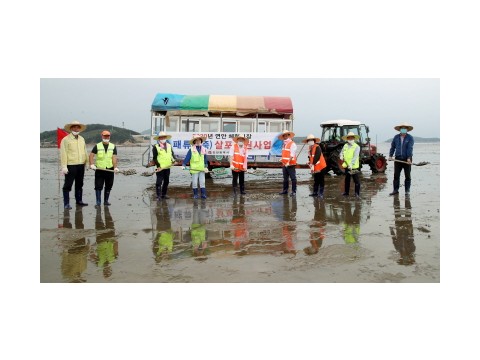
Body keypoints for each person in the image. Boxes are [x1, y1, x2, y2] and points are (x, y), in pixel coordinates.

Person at [60, 120, 89, 209]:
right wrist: (64, 166)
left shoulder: (82, 139)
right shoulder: (66, 139)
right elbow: (63, 153)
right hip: (71, 165)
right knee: (68, 184)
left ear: (80, 128)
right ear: (71, 128)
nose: (76, 129)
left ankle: (79, 200)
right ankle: (66, 203)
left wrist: (87, 163)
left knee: (79, 183)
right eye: (74, 127)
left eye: (78, 127)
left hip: (81, 165)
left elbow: (85, 151)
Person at [89, 130, 119, 207]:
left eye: (108, 136)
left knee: (109, 185)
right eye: (105, 136)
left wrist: (115, 167)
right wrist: (92, 164)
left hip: (110, 169)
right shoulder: (97, 146)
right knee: (98, 186)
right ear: (102, 136)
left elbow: (114, 157)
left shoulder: (113, 146)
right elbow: (91, 155)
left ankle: (106, 201)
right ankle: (98, 202)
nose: (106, 137)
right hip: (99, 169)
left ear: (109, 137)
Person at [90, 206, 118, 278]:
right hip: (110, 237)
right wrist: (115, 240)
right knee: (109, 219)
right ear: (110, 269)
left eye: (105, 270)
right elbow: (115, 248)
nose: (107, 268)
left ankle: (98, 208)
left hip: (100, 239)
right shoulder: (113, 259)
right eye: (108, 270)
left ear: (103, 270)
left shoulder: (99, 263)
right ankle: (106, 208)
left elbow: (91, 255)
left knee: (98, 220)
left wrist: (92, 247)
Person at [388, 122, 414, 196]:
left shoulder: (410, 138)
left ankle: (407, 191)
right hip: (398, 159)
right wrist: (390, 155)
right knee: (396, 175)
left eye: (405, 128)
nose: (403, 129)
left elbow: (410, 148)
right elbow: (392, 147)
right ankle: (395, 190)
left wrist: (409, 158)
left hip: (407, 159)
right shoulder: (396, 137)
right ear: (400, 129)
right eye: (402, 128)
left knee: (407, 176)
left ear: (407, 129)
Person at [390, 195, 415, 265]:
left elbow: (394, 238)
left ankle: (398, 198)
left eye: (403, 258)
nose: (404, 256)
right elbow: (411, 236)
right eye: (406, 257)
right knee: (408, 210)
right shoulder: (412, 249)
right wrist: (410, 227)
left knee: (396, 209)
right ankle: (407, 198)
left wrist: (391, 230)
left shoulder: (398, 248)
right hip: (407, 225)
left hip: (399, 226)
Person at [182, 135, 209, 199]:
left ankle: (203, 194)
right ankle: (195, 194)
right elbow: (187, 158)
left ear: (201, 141)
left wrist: (206, 166)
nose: (198, 141)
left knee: (202, 182)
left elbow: (205, 159)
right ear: (194, 142)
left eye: (199, 140)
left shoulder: (203, 149)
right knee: (194, 182)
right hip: (194, 169)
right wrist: (184, 165)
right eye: (196, 140)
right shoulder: (191, 150)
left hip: (202, 169)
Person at [152, 131, 177, 200]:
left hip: (167, 167)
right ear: (159, 138)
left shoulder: (169, 145)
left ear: (166, 138)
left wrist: (174, 160)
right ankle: (158, 195)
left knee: (166, 181)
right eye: (161, 137)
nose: (162, 138)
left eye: (164, 137)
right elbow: (155, 158)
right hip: (160, 168)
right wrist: (159, 166)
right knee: (159, 182)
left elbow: (171, 155)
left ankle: (164, 194)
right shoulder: (156, 147)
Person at [302, 134, 327, 199]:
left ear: (314, 140)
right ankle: (315, 192)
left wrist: (312, 163)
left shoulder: (317, 147)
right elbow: (311, 157)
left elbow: (317, 156)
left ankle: (321, 193)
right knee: (316, 180)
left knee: (321, 180)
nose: (310, 141)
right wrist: (309, 162)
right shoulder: (310, 148)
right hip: (315, 167)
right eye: (309, 140)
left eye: (311, 140)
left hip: (321, 166)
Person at [339, 131, 361, 199]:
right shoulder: (345, 145)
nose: (350, 139)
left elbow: (355, 156)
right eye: (349, 138)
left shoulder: (356, 147)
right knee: (347, 179)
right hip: (347, 166)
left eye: (351, 138)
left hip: (353, 167)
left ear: (354, 138)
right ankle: (346, 192)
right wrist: (341, 155)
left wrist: (351, 164)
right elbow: (342, 152)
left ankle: (357, 194)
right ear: (347, 138)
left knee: (356, 180)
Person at [278, 130, 298, 196]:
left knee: (293, 178)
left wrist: (288, 162)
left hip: (290, 164)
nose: (285, 136)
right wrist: (282, 159)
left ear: (289, 136)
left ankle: (294, 191)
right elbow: (285, 154)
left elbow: (292, 154)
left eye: (286, 135)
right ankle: (285, 190)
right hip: (284, 164)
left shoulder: (292, 144)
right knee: (285, 178)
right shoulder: (284, 144)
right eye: (284, 135)